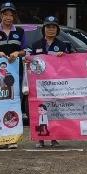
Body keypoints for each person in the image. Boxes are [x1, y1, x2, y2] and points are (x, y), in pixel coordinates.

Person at [0, 2, 28, 148]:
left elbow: (26, 51)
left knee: (13, 104)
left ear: (14, 16)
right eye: (5, 14)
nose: (8, 17)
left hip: (15, 75)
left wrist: (17, 53)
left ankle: (12, 138)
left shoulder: (19, 32)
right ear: (0, 15)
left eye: (11, 14)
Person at [28, 16, 71, 148]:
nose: (51, 29)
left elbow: (70, 64)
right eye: (48, 27)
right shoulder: (36, 45)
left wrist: (64, 56)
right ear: (44, 29)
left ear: (57, 29)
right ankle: (40, 139)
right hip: (39, 85)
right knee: (39, 110)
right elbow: (28, 60)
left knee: (54, 110)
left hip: (55, 84)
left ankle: (54, 138)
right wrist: (27, 59)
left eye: (53, 27)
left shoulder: (62, 45)